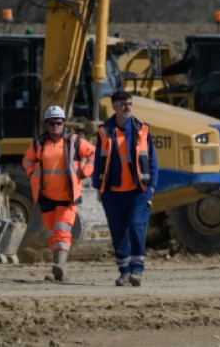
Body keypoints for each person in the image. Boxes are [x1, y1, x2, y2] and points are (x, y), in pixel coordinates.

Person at [21, 105, 95, 282]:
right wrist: (32, 173)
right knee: (53, 233)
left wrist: (85, 170)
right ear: (47, 125)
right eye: (52, 123)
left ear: (64, 124)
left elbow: (93, 152)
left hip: (67, 198)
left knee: (62, 232)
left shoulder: (74, 142)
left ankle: (60, 266)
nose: (55, 126)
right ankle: (57, 270)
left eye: (59, 123)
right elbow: (26, 160)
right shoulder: (39, 144)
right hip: (46, 198)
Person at [92, 90, 158, 287]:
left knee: (137, 226)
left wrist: (152, 185)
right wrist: (98, 186)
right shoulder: (104, 131)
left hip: (139, 191)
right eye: (123, 104)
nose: (128, 107)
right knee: (118, 232)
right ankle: (124, 272)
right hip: (112, 193)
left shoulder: (142, 129)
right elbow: (98, 160)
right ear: (114, 106)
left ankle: (137, 270)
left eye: (129, 103)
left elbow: (152, 159)